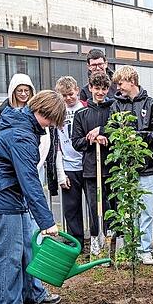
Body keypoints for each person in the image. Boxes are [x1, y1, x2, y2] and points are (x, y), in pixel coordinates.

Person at [0, 90, 65, 304]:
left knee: (26, 246)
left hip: (10, 193)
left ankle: (32, 292)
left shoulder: (25, 125)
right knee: (9, 254)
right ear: (44, 112)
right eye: (52, 120)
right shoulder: (21, 135)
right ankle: (6, 303)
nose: (52, 125)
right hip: (0, 195)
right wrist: (47, 222)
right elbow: (29, 181)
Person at [98, 65, 153, 265]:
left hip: (149, 167)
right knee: (128, 210)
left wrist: (137, 137)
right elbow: (111, 129)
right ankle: (130, 249)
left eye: (120, 83)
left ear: (132, 81)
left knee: (147, 210)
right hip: (125, 167)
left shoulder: (152, 104)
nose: (118, 88)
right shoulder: (116, 106)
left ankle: (145, 250)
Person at [0, 73, 62, 200]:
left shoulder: (39, 112)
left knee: (34, 194)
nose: (23, 94)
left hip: (36, 161)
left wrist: (38, 161)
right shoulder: (4, 112)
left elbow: (46, 140)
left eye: (26, 90)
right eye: (19, 91)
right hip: (12, 165)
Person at [71, 73, 113, 256]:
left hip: (111, 166)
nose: (100, 92)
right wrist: (92, 140)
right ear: (90, 88)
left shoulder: (113, 110)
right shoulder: (81, 114)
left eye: (104, 88)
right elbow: (76, 141)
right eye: (97, 88)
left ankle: (111, 237)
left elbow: (118, 132)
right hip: (91, 168)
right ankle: (95, 237)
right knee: (94, 206)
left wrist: (104, 135)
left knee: (111, 204)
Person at [54, 76, 89, 249]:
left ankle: (97, 238)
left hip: (87, 164)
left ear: (77, 91)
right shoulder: (57, 113)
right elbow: (56, 145)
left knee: (94, 205)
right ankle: (75, 242)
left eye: (71, 94)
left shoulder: (86, 108)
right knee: (71, 208)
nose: (68, 98)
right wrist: (61, 173)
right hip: (68, 165)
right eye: (64, 95)